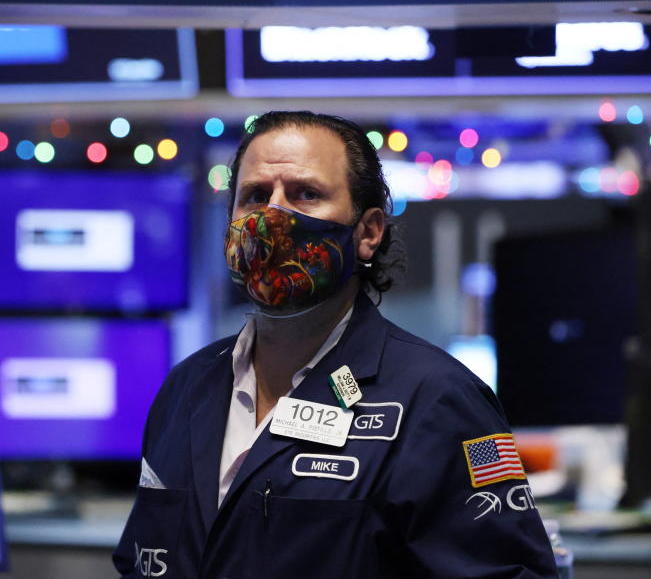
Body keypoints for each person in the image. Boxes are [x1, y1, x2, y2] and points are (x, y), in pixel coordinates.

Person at [113, 111, 557, 578]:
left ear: (368, 232)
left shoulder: (438, 401)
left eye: (306, 194)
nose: (273, 217)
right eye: (255, 197)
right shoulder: (187, 387)